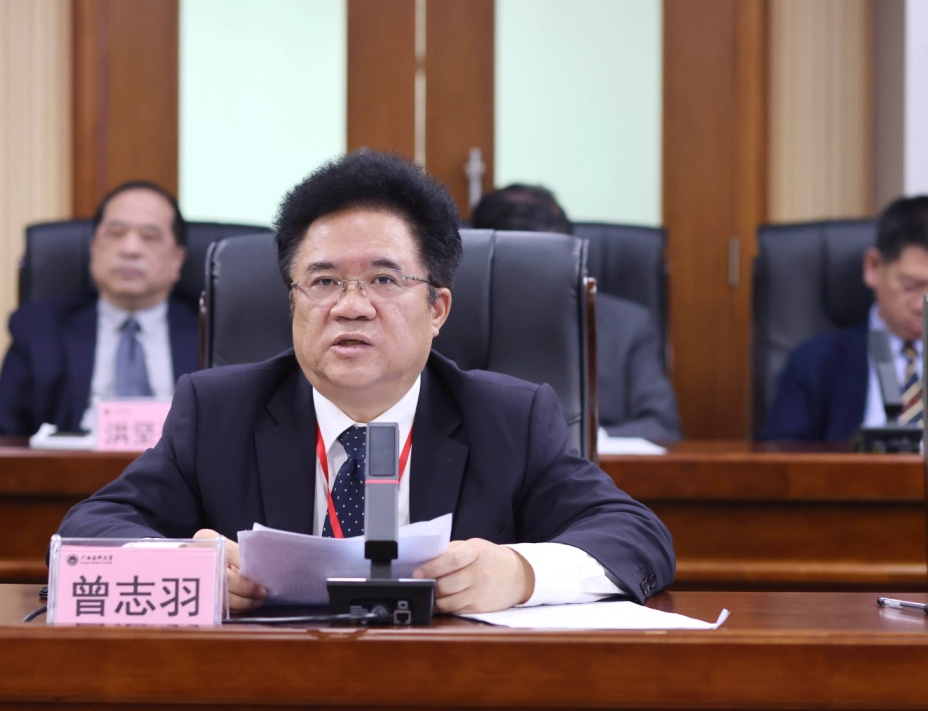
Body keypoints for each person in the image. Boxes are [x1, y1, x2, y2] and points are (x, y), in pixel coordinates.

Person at [59, 151, 674, 614]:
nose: (350, 307)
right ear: (293, 302)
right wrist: (182, 567)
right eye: (324, 282)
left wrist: (520, 573)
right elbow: (88, 530)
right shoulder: (218, 410)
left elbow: (637, 537)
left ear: (437, 309)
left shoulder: (508, 418)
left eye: (383, 280)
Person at [0, 180, 199, 436]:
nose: (130, 249)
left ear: (177, 259)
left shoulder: (209, 331)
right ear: (94, 249)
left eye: (149, 237)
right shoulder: (40, 329)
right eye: (115, 233)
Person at [470, 184, 682, 443]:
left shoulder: (629, 325)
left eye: (542, 258)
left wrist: (588, 442)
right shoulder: (456, 321)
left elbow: (661, 425)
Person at [760, 194, 928, 442]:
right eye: (910, 286)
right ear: (873, 266)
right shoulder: (814, 362)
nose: (921, 305)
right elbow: (779, 456)